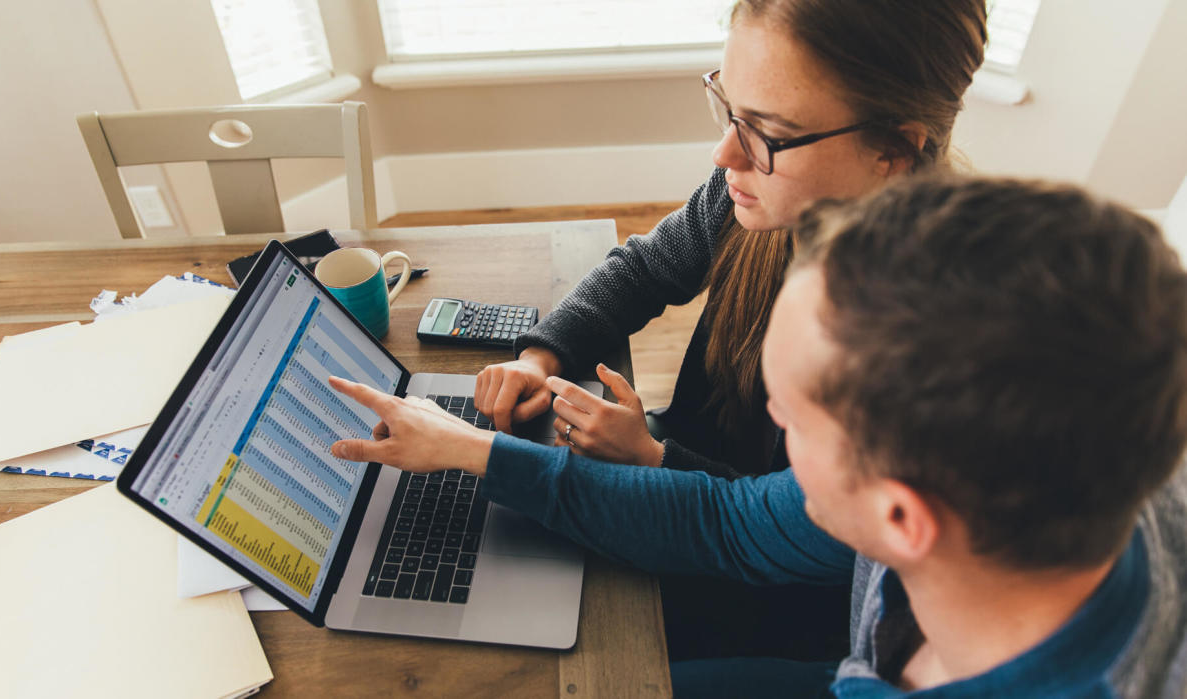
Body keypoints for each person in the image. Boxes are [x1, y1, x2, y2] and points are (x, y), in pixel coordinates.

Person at [327, 175, 1187, 697]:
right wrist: (475, 449)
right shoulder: (1080, 444)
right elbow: (730, 522)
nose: (771, 421)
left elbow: (725, 522)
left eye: (793, 413)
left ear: (899, 520)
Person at [476, 0, 988, 661]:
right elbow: (646, 268)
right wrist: (541, 356)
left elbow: (746, 529)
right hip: (694, 482)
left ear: (893, 148)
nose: (724, 154)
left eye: (767, 132)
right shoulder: (760, 192)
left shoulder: (924, 365)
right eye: (728, 106)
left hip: (780, 603)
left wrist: (649, 457)